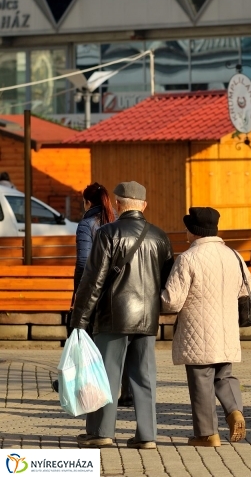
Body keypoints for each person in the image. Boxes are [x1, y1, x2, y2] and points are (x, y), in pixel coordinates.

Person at [70, 181, 173, 449]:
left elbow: (92, 281)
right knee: (144, 376)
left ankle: (103, 432)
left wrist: (79, 320)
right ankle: (147, 435)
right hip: (147, 318)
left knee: (106, 375)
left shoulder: (107, 233)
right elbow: (166, 280)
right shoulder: (160, 236)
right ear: (144, 206)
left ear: (118, 204)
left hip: (112, 315)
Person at [161, 207, 250, 447]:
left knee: (201, 380)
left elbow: (172, 301)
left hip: (197, 331)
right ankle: (234, 411)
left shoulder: (188, 258)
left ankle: (207, 434)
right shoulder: (234, 255)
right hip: (227, 329)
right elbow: (245, 290)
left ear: (194, 231)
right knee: (224, 375)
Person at [52, 183, 116, 395]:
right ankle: (116, 388)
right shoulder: (115, 220)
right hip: (114, 288)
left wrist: (78, 294)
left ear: (88, 202)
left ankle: (77, 383)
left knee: (81, 335)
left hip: (91, 288)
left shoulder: (87, 223)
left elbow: (83, 263)